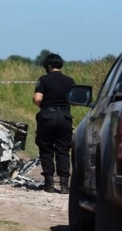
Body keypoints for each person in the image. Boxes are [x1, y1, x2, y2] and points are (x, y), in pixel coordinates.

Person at [33, 53, 75, 194]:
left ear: (49, 66)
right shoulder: (70, 81)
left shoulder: (43, 80)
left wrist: (46, 108)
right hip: (65, 117)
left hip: (47, 116)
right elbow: (74, 100)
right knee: (63, 150)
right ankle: (64, 185)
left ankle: (49, 184)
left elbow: (37, 99)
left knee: (46, 149)